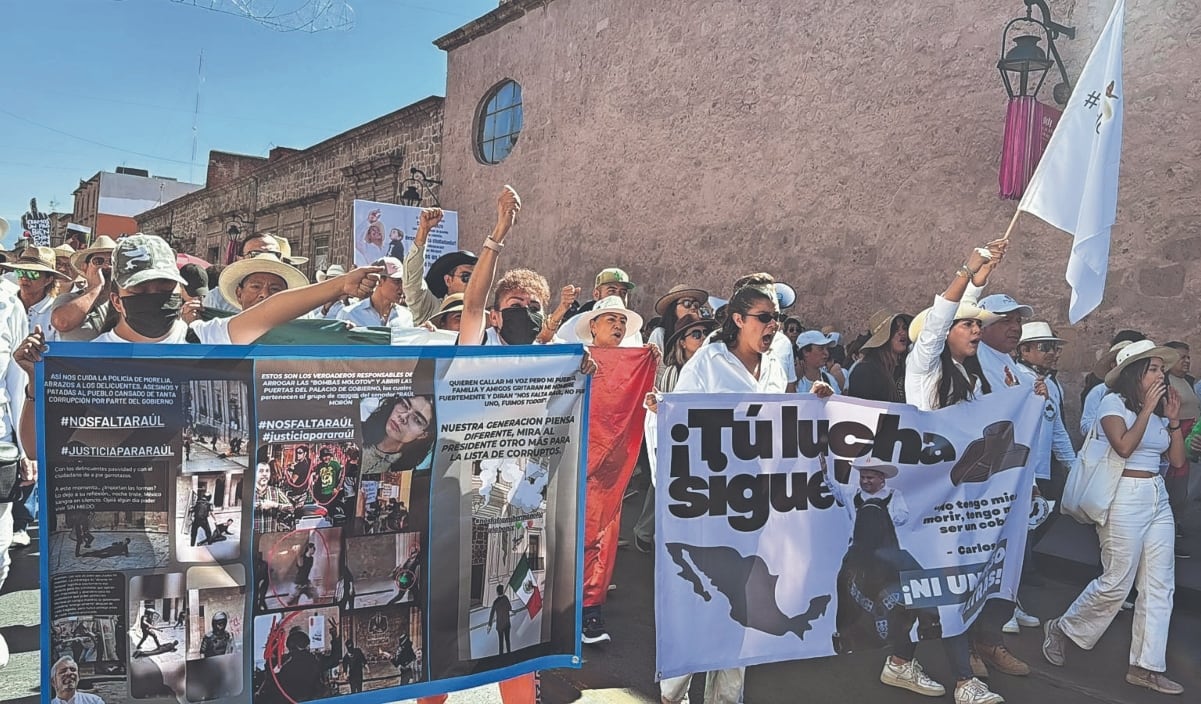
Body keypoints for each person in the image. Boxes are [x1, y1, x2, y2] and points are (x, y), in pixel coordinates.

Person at [656, 273, 796, 704]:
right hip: (710, 503)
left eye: (778, 318)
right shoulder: (710, 361)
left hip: (759, 502)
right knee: (703, 594)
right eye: (765, 317)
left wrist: (816, 404)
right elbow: (679, 426)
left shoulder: (777, 360)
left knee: (746, 604)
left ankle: (726, 698)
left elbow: (786, 419)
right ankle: (674, 690)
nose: (773, 325)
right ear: (737, 318)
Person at [1042, 340, 1186, 695]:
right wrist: (1147, 409)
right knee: (1117, 580)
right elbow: (1123, 446)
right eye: (1152, 369)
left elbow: (1179, 462)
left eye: (1160, 369)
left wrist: (1171, 422)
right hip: (1123, 496)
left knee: (1159, 584)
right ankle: (1063, 627)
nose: (1160, 375)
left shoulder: (1153, 413)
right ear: (1134, 373)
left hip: (1156, 496)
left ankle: (1145, 666)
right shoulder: (1112, 403)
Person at [901, 241, 1006, 704]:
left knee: (933, 581)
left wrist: (982, 280)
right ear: (943, 334)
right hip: (925, 493)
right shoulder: (923, 367)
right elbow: (942, 317)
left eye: (978, 325)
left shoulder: (967, 375)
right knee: (945, 580)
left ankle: (900, 660)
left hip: (956, 494)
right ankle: (964, 680)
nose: (975, 330)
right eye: (967, 325)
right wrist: (968, 269)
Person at [636, 313, 719, 553]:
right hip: (682, 440)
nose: (702, 339)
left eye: (705, 334)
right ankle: (648, 532)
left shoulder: (712, 368)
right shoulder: (675, 372)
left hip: (703, 438)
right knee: (664, 486)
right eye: (696, 334)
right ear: (682, 342)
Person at [402, 207, 477, 325]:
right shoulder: (430, 308)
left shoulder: (481, 313)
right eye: (466, 277)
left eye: (476, 278)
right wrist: (423, 231)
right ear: (448, 280)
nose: (473, 283)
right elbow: (412, 283)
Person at [1163, 340, 1197, 558]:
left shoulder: (1190, 382)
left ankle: (1173, 529)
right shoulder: (1165, 381)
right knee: (1170, 491)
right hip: (1172, 441)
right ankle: (1167, 539)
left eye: (1187, 357)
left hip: (1188, 442)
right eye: (1181, 357)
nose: (1186, 361)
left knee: (1181, 491)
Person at [49, 235, 117, 341]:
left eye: (112, 262)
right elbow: (62, 322)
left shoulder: (124, 302)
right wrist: (96, 287)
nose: (106, 266)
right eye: (98, 261)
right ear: (84, 268)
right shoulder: (67, 299)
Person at [846, 310, 912, 403]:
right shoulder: (865, 371)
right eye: (895, 329)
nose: (902, 333)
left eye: (904, 328)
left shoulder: (908, 367)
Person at [2, 246, 72, 333]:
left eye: (32, 274)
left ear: (48, 280)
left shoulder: (56, 312)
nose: (24, 278)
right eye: (20, 272)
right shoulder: (4, 304)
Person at [360, 396, 436, 474]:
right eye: (404, 405)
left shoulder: (404, 470)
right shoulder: (357, 431)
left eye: (417, 420)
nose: (403, 417)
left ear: (423, 435)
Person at [825, 457, 909, 527]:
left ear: (881, 478)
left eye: (869, 478)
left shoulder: (893, 494)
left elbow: (903, 516)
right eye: (862, 477)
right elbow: (836, 488)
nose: (865, 481)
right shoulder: (852, 492)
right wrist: (825, 473)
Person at [337, 257, 415, 328]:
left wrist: (423, 332)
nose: (402, 286)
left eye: (403, 281)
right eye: (397, 281)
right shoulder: (350, 314)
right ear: (380, 281)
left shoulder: (406, 316)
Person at [647, 284, 709, 350]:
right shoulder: (660, 333)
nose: (693, 307)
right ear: (673, 309)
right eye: (687, 303)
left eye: (696, 305)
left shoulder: (703, 331)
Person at [795, 330, 843, 394]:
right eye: (821, 348)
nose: (826, 353)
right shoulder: (793, 382)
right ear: (805, 352)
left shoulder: (829, 379)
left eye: (826, 349)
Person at [487, 584, 514, 655]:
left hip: (499, 625)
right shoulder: (506, 598)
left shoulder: (496, 602)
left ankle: (501, 656)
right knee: (507, 640)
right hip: (507, 623)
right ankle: (509, 654)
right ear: (502, 591)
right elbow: (510, 608)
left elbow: (492, 614)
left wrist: (489, 625)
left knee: (501, 643)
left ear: (497, 592)